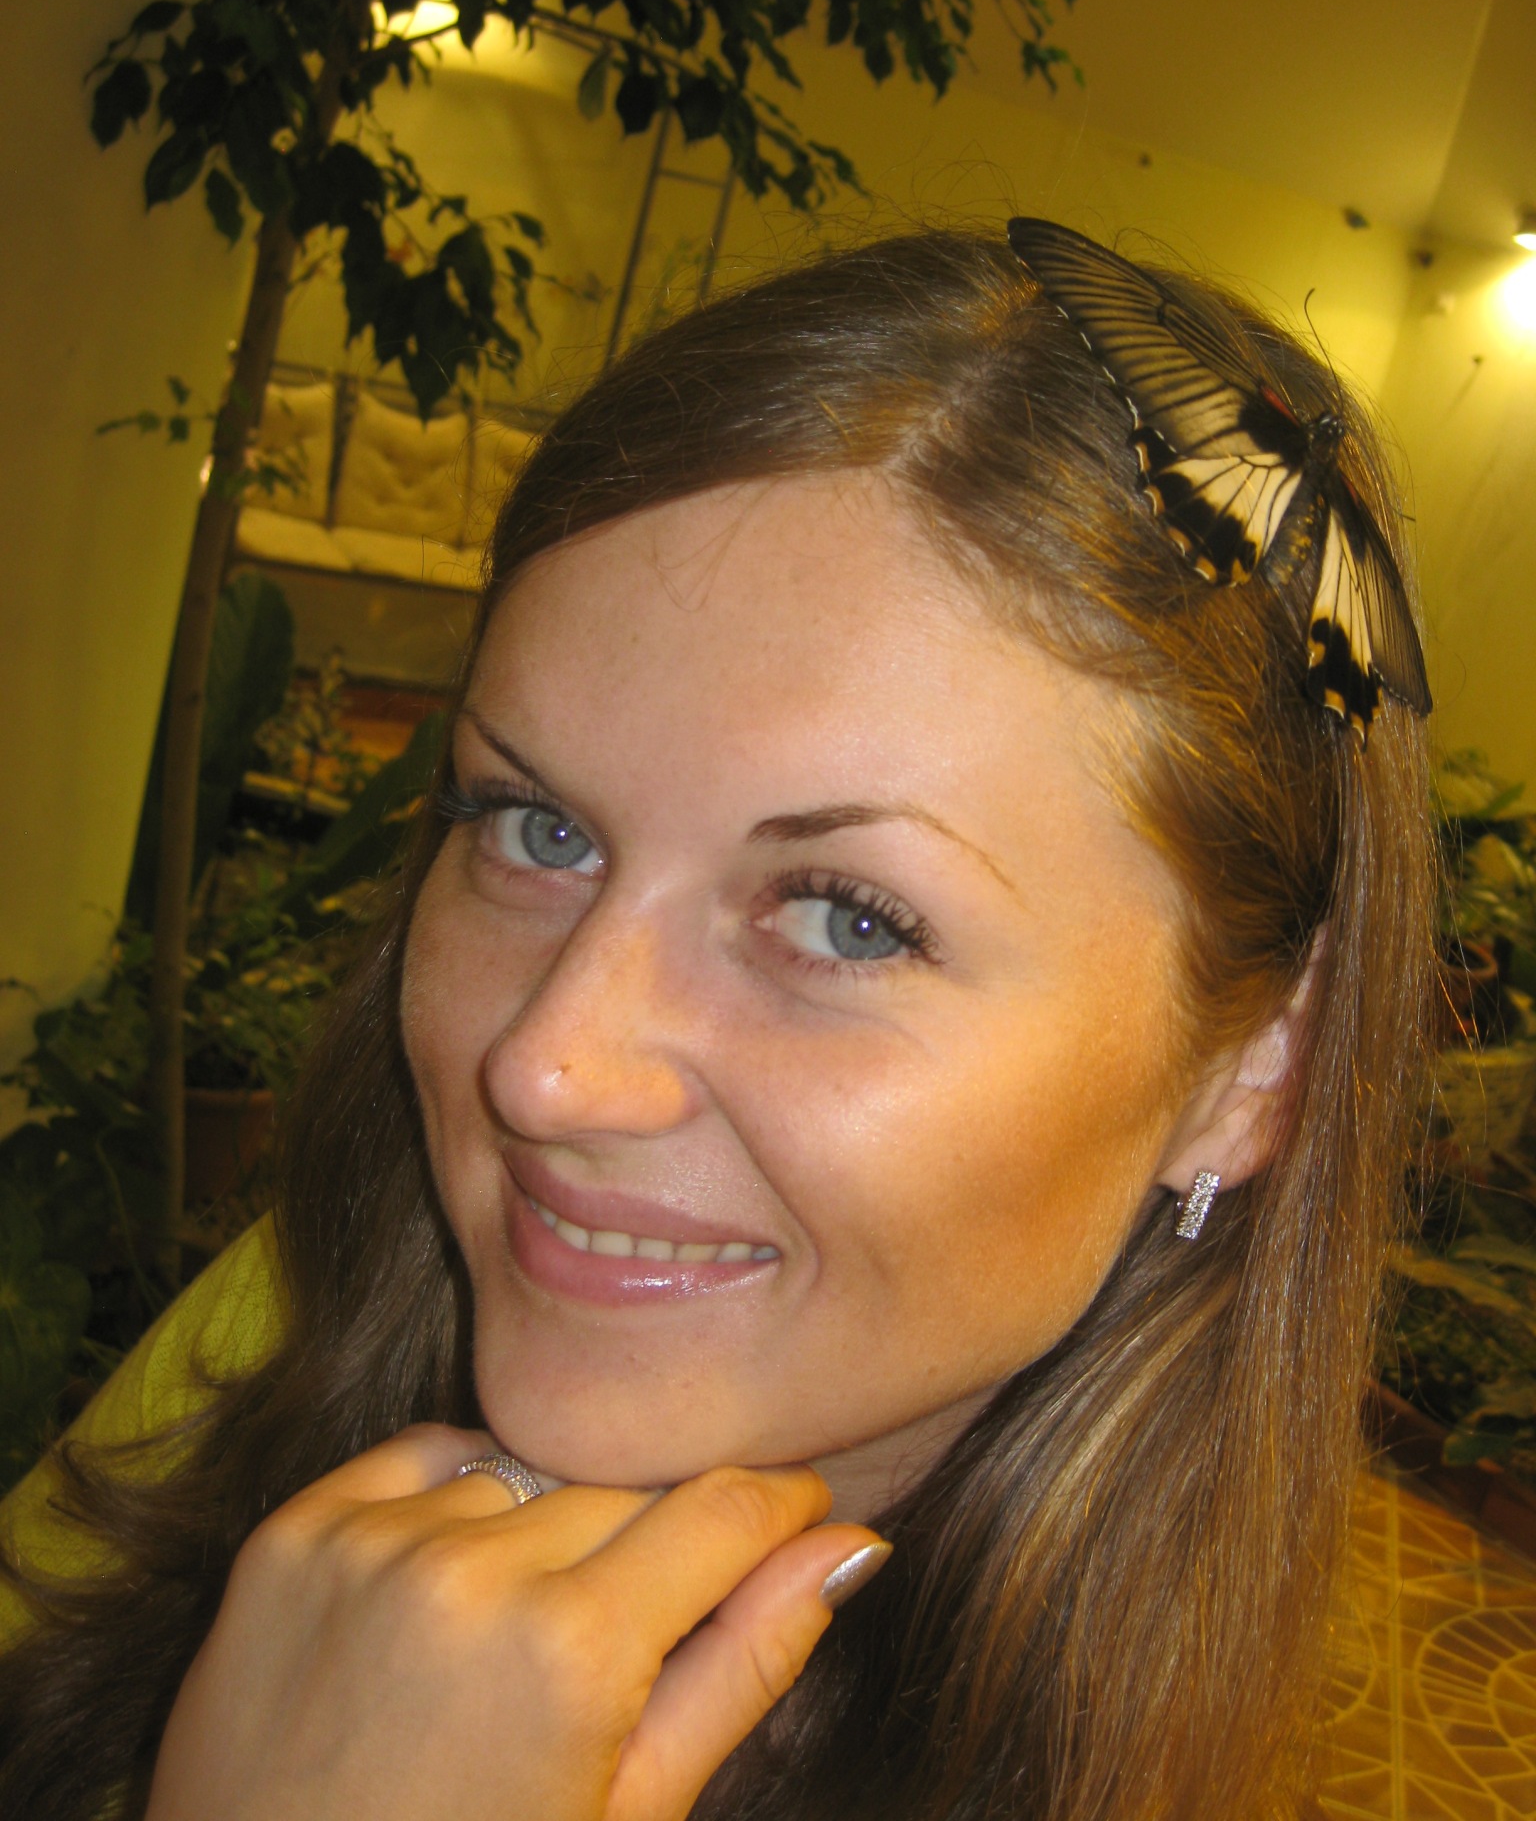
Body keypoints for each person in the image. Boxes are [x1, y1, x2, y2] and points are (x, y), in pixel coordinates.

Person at [0, 226, 1433, 1821]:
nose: (543, 1069)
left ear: (1253, 1070)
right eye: (535, 828)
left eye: (848, 918)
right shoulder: (278, 1314)